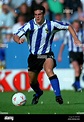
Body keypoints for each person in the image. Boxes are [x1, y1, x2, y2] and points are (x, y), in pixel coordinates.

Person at [13, 5, 82, 105]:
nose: (37, 17)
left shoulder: (51, 24)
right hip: (34, 57)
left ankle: (58, 96)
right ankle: (38, 93)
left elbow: (68, 26)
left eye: (39, 14)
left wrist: (75, 38)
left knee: (49, 70)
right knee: (32, 82)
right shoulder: (29, 25)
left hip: (46, 55)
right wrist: (18, 40)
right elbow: (16, 35)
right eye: (35, 14)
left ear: (44, 14)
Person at [57, 20, 84, 92]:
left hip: (80, 54)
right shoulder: (69, 34)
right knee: (77, 69)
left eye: (77, 25)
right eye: (75, 25)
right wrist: (60, 55)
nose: (77, 26)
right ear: (73, 26)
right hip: (72, 53)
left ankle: (76, 83)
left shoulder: (82, 33)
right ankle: (78, 86)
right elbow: (63, 44)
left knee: (80, 70)